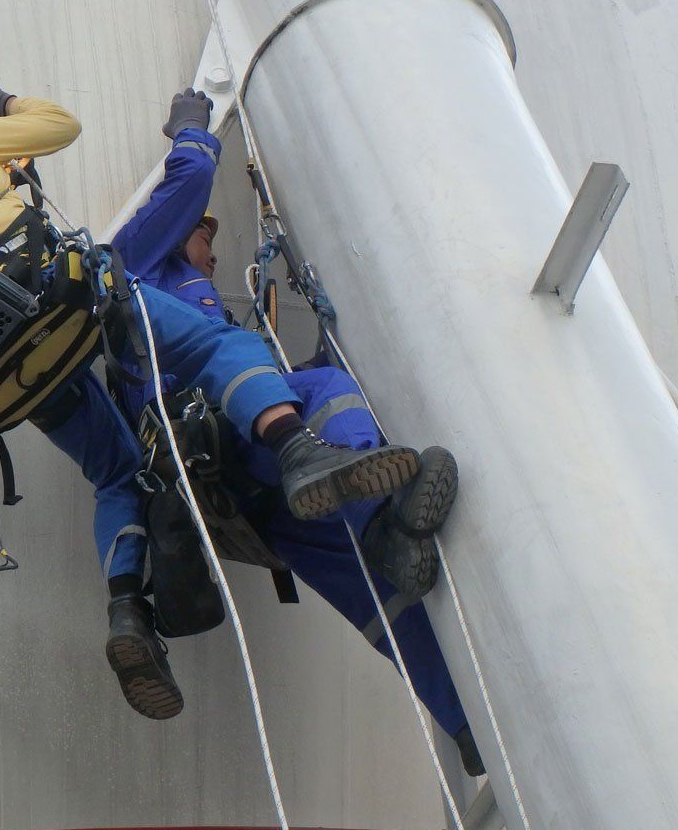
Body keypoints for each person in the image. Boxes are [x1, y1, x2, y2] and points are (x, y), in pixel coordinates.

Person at [0, 78, 423, 723]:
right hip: (58, 305)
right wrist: (7, 109)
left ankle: (127, 605)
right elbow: (61, 125)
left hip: (13, 374)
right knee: (224, 348)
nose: (210, 251)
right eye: (205, 240)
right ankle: (301, 452)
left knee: (114, 474)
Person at [110, 87, 484, 773]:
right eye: (204, 231)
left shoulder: (184, 297)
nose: (214, 247)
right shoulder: (134, 262)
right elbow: (189, 180)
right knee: (331, 391)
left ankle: (467, 726)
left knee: (373, 595)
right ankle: (384, 518)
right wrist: (191, 125)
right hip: (210, 439)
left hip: (243, 487)